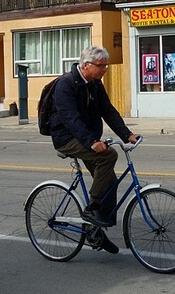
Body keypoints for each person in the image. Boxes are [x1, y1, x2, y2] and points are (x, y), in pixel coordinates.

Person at [49, 45, 139, 254]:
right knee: (109, 155)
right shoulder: (66, 84)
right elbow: (70, 118)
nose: (105, 69)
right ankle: (92, 209)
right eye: (101, 65)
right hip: (67, 137)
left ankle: (96, 231)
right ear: (86, 65)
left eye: (106, 65)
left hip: (86, 137)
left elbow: (107, 110)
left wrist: (126, 134)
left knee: (109, 182)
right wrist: (90, 141)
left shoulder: (95, 84)